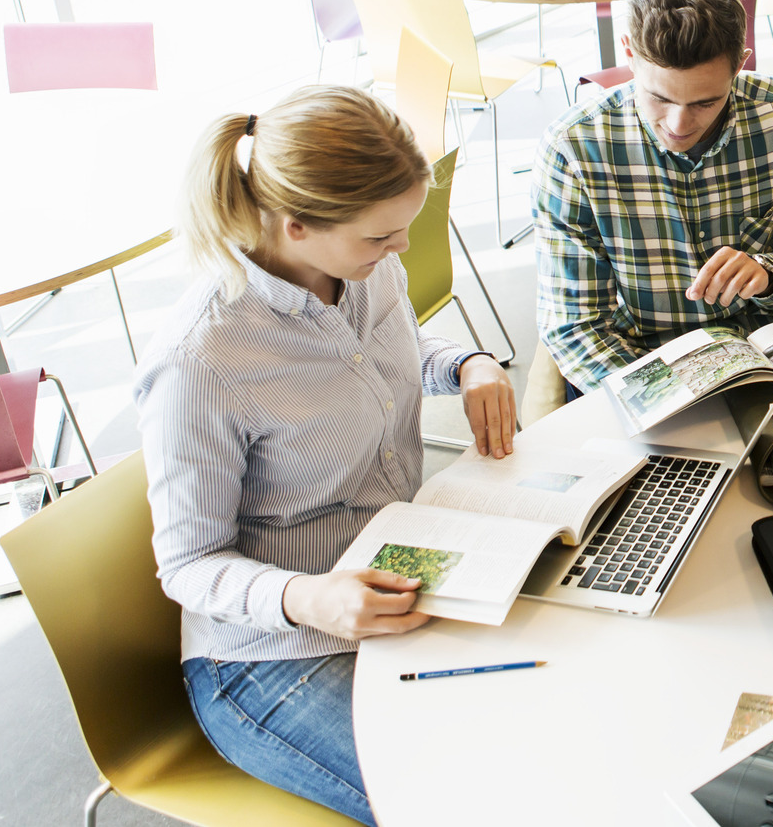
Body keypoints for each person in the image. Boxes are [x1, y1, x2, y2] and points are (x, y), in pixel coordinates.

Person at [137, 87, 518, 825]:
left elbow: (385, 353)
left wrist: (469, 362)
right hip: (271, 655)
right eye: (381, 236)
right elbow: (187, 566)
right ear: (297, 225)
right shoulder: (201, 362)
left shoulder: (367, 269)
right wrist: (311, 598)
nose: (402, 249)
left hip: (399, 573)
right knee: (467, 801)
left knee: (541, 734)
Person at [527, 0, 773, 418]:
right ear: (630, 53)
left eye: (704, 103)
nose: (679, 125)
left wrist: (770, 274)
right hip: (643, 368)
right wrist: (668, 406)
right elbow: (576, 328)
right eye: (658, 98)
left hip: (772, 360)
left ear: (741, 63)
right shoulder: (573, 150)